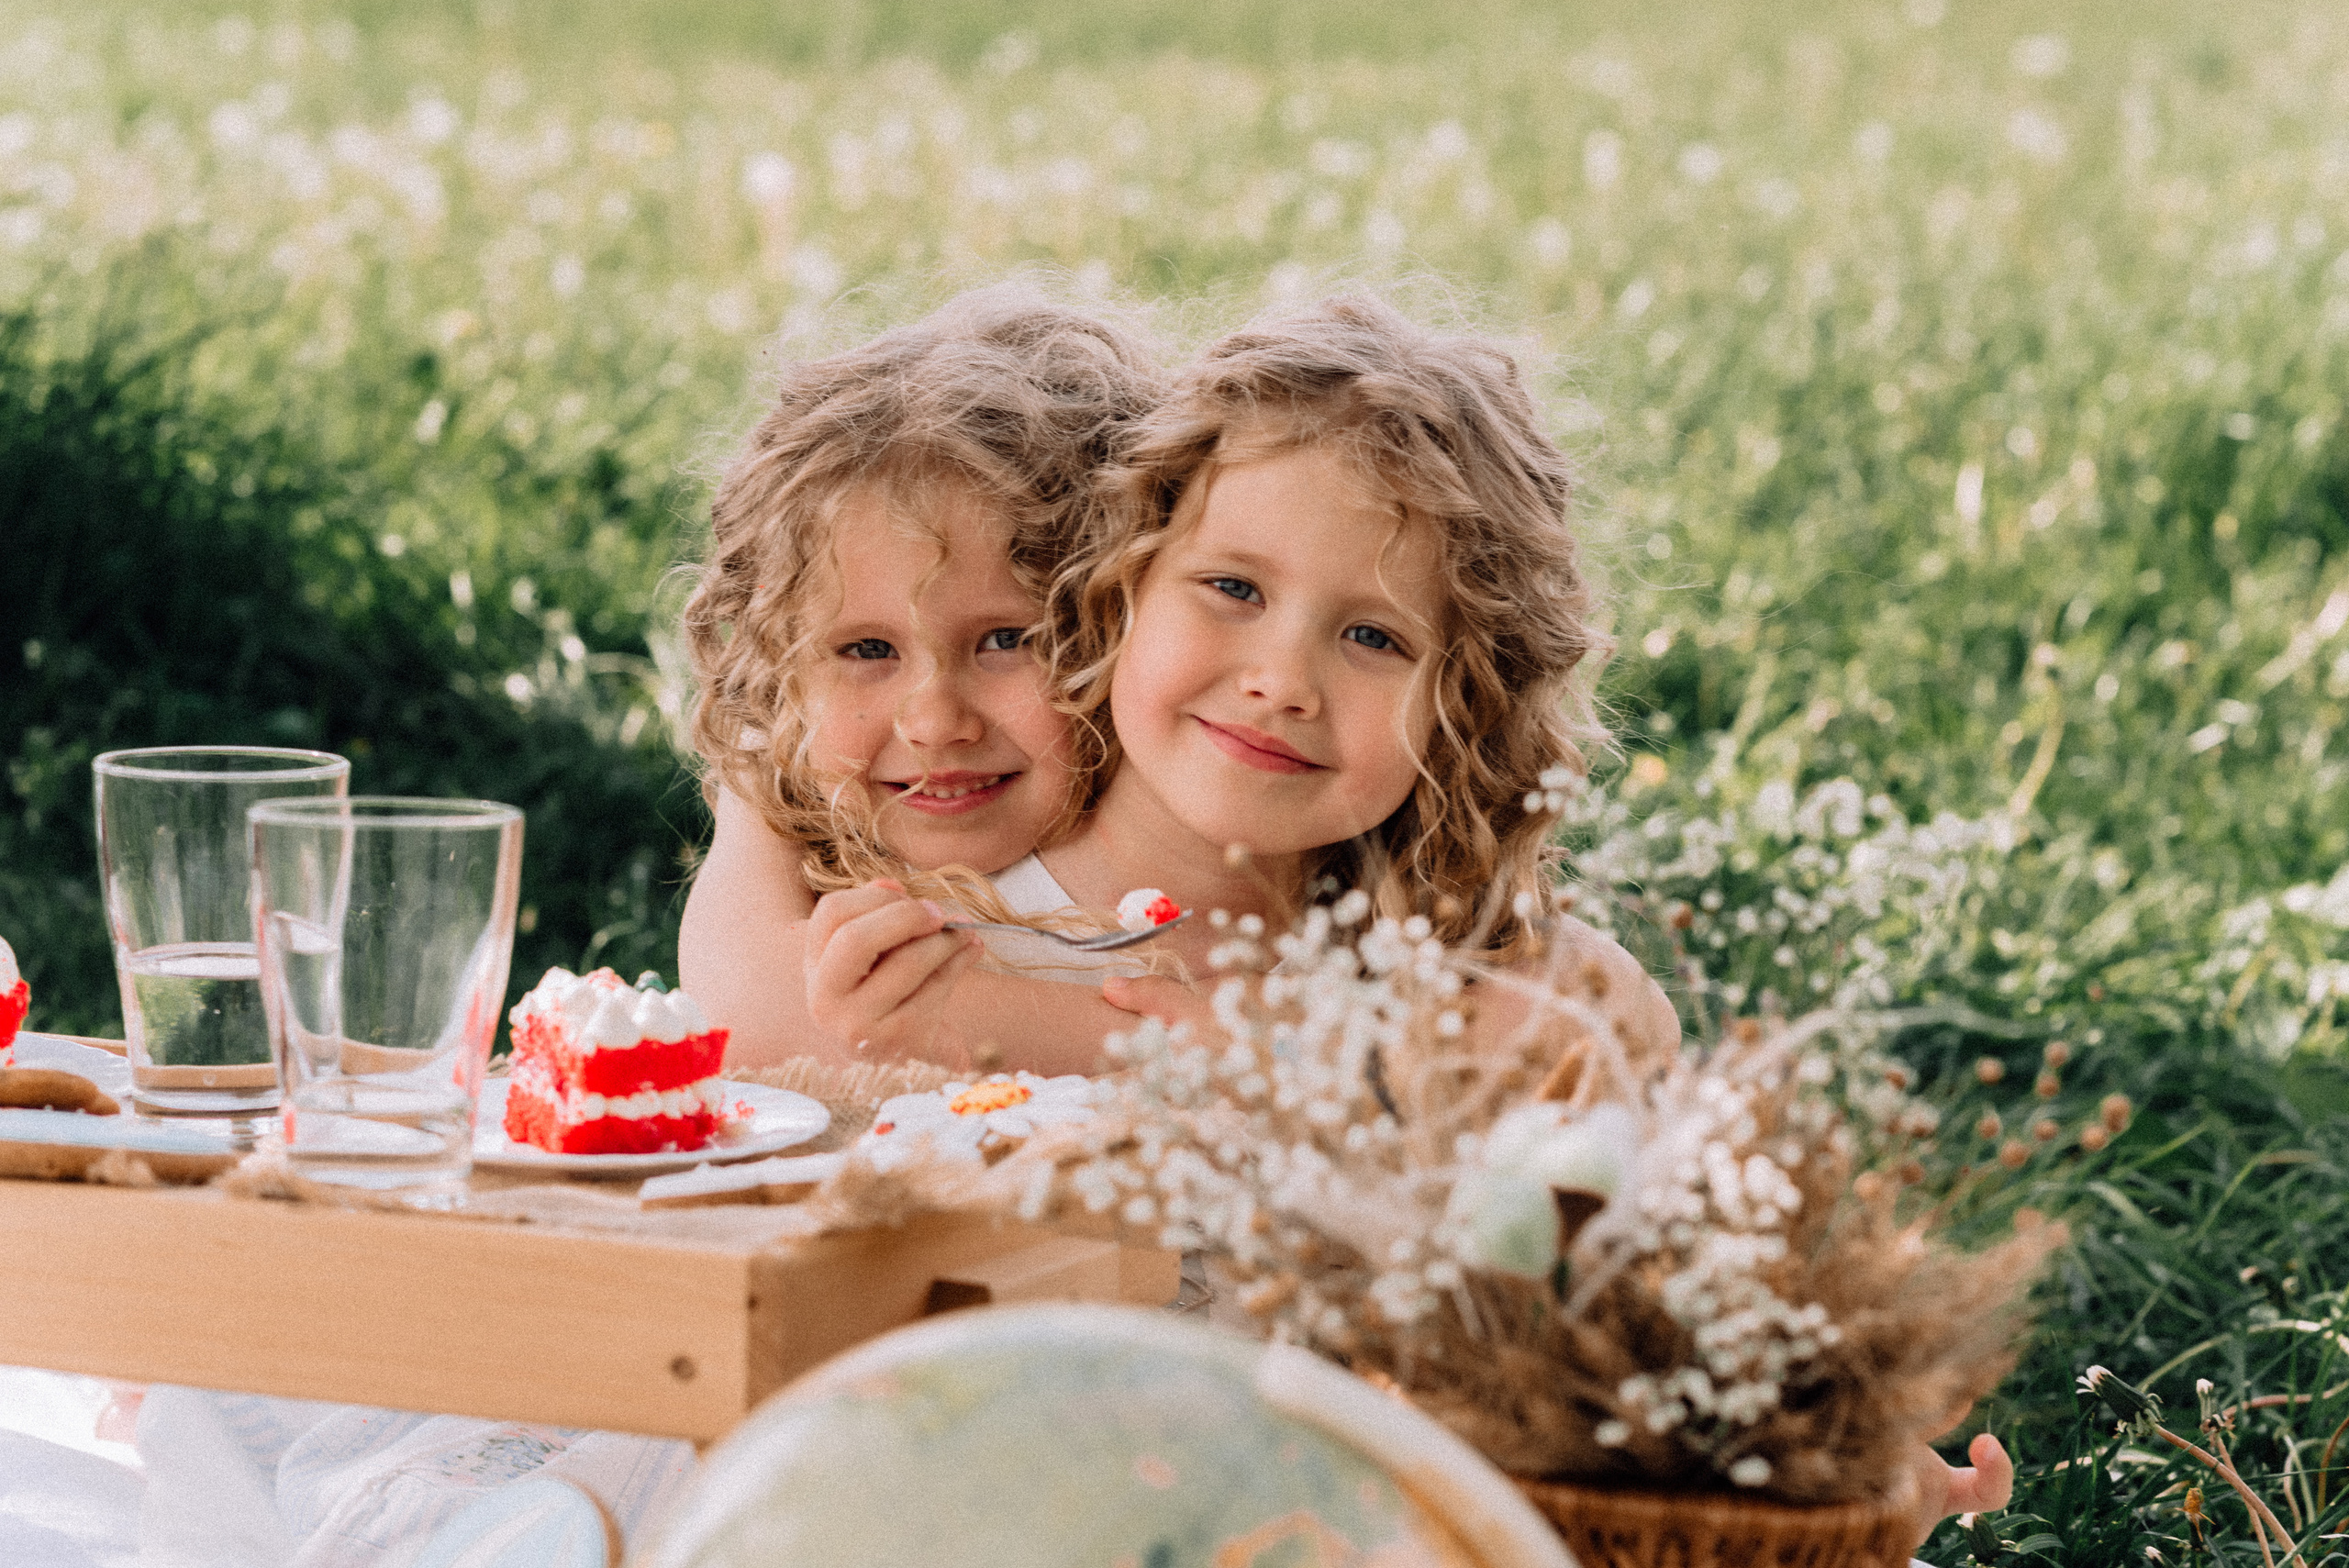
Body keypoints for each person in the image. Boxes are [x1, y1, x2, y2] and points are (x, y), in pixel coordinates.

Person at [812, 294, 1683, 1067]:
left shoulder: (1443, 984)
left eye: (1374, 637)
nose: (1282, 682)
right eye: (1234, 589)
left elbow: (1619, 1056)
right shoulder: (943, 942)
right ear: (1122, 583)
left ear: (1466, 703)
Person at [678, 284, 1166, 1072]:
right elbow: (738, 1005)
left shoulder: (1163, 834)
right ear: (780, 668)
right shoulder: (801, 858)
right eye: (868, 650)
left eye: (1008, 639)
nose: (937, 722)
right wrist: (756, 790)